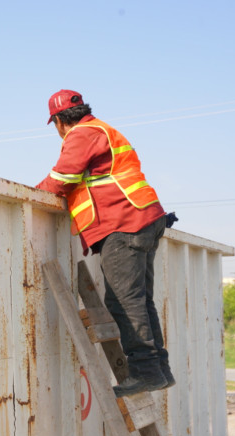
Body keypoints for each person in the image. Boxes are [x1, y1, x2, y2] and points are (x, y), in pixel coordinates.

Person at [37, 89, 175, 397]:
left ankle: (146, 372)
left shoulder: (82, 133)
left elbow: (62, 177)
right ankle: (158, 370)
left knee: (124, 301)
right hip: (142, 218)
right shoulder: (101, 129)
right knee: (139, 299)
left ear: (59, 122)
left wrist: (34, 193)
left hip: (124, 222)